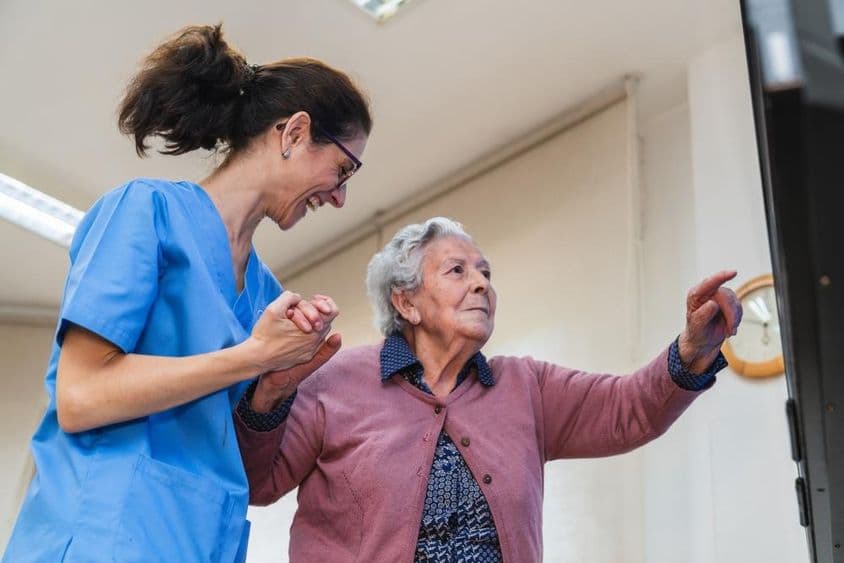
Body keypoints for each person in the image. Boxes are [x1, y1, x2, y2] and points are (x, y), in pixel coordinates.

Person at [3, 24, 371, 563]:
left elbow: (235, 454)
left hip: (201, 540)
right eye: (342, 169)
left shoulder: (266, 295)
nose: (340, 197)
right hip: (107, 534)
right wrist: (252, 356)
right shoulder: (145, 212)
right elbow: (80, 397)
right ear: (293, 133)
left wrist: (272, 387)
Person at [234, 217, 742, 562]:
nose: (481, 284)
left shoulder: (526, 386)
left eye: (485, 273)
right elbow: (260, 482)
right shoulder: (335, 382)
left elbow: (629, 409)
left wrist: (692, 349)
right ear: (406, 302)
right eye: (457, 271)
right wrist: (271, 392)